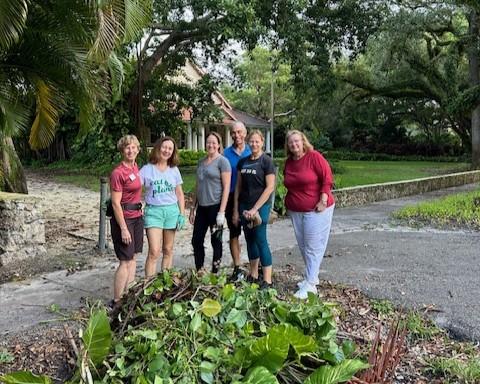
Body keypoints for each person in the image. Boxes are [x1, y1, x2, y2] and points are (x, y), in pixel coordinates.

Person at [283, 130, 335, 299]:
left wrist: (323, 200)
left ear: (303, 141)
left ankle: (311, 284)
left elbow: (327, 178)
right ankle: (311, 277)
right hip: (296, 210)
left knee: (313, 246)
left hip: (316, 208)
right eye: (291, 142)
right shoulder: (289, 162)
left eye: (297, 141)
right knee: (304, 246)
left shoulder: (314, 157)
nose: (294, 145)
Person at [233, 130, 275, 288]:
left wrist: (255, 208)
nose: (254, 144)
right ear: (248, 142)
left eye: (257, 141)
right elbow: (238, 187)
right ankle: (254, 274)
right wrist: (237, 209)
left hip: (260, 207)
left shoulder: (266, 161)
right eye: (252, 141)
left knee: (260, 239)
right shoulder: (242, 162)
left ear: (262, 142)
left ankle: (267, 280)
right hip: (244, 205)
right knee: (249, 239)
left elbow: (270, 187)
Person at [140, 137, 185, 278]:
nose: (166, 150)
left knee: (168, 249)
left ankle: (165, 282)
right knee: (154, 251)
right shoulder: (147, 169)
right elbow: (135, 189)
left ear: (173, 152)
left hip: (171, 211)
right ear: (158, 148)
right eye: (164, 147)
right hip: (154, 212)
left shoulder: (174, 170)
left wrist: (181, 214)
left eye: (170, 149)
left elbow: (179, 193)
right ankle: (149, 285)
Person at [189, 132, 231, 273]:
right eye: (208, 142)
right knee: (196, 240)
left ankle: (215, 271)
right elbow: (197, 185)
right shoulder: (201, 162)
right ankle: (200, 269)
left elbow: (226, 188)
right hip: (202, 208)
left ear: (219, 145)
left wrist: (221, 212)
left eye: (214, 142)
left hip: (215, 208)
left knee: (216, 241)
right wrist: (192, 209)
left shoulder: (222, 162)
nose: (211, 145)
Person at [109, 135, 144, 306]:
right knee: (125, 261)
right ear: (122, 150)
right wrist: (123, 228)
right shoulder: (118, 173)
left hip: (137, 217)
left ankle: (128, 296)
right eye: (127, 148)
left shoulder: (136, 167)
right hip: (124, 220)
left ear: (138, 149)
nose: (130, 151)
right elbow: (115, 203)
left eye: (133, 147)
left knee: (133, 258)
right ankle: (116, 301)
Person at [223, 121, 251, 281]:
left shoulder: (251, 150)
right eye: (234, 132)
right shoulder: (226, 154)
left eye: (239, 132)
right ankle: (238, 267)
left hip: (249, 197)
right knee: (234, 233)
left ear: (245, 133)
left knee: (252, 233)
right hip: (231, 197)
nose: (237, 135)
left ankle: (256, 266)